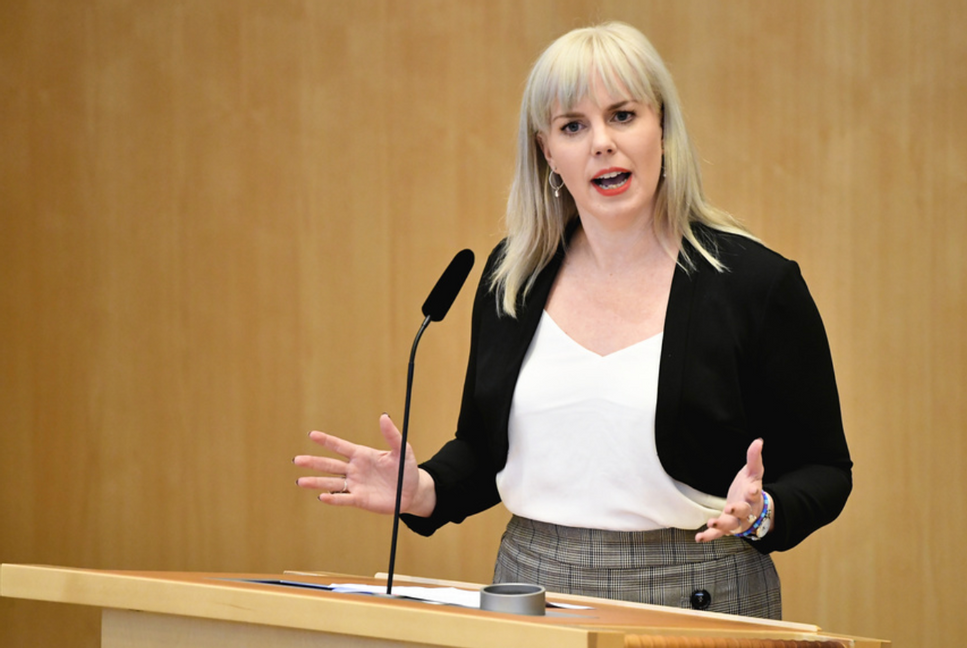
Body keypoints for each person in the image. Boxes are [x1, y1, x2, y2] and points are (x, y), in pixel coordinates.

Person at [293, 21, 851, 619]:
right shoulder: (514, 276)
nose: (602, 143)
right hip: (530, 592)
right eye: (573, 126)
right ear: (547, 151)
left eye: (623, 115)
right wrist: (424, 490)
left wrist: (764, 513)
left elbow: (824, 469)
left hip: (700, 593)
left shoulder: (756, 284)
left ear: (662, 127)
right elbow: (485, 449)